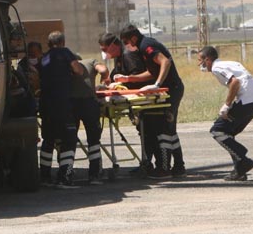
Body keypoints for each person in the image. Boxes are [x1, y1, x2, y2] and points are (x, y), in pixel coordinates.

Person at [116, 25, 186, 179]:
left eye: (126, 41)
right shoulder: (142, 47)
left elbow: (165, 62)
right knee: (169, 128)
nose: (127, 44)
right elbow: (151, 72)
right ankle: (178, 166)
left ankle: (165, 168)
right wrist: (129, 79)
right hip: (168, 89)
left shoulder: (146, 45)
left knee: (165, 129)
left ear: (133, 37)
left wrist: (157, 84)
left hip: (171, 89)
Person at [197, 45, 253, 181]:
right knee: (228, 134)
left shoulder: (216, 67)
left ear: (207, 59)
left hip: (247, 101)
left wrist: (227, 105)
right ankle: (239, 171)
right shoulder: (230, 63)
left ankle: (243, 159)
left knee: (217, 130)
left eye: (200, 60)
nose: (199, 64)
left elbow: (235, 82)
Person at [99, 31, 158, 174]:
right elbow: (118, 72)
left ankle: (153, 164)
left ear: (113, 45)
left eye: (105, 49)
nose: (104, 53)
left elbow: (137, 75)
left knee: (148, 131)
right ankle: (147, 162)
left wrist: (125, 82)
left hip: (143, 98)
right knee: (143, 131)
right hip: (136, 98)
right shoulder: (120, 57)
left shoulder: (128, 55)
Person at [37, 31, 84, 186]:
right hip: (62, 104)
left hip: (46, 105)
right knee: (69, 139)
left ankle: (44, 176)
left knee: (48, 140)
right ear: (63, 42)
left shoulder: (44, 57)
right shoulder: (65, 53)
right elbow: (78, 70)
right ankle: (65, 176)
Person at [71, 54, 107, 184]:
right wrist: (102, 83)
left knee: (69, 140)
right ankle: (95, 174)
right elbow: (103, 70)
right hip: (89, 104)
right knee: (93, 139)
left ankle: (67, 173)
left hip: (72, 104)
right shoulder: (91, 61)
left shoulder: (67, 66)